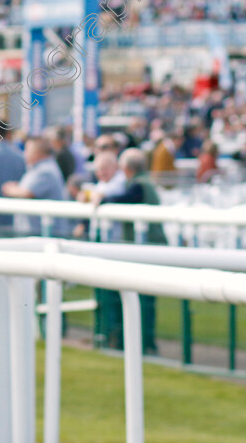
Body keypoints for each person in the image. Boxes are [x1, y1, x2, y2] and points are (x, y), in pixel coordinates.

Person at [94, 148, 164, 354]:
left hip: (148, 247)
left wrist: (103, 200)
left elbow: (125, 198)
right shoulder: (144, 183)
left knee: (145, 299)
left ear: (126, 168)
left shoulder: (139, 185)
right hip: (151, 246)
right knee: (146, 298)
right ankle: (144, 341)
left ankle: (143, 342)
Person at [1, 136, 66, 236]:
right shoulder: (39, 168)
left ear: (37, 152)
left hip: (41, 233)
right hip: (36, 231)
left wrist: (10, 189)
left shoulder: (45, 170)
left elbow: (27, 192)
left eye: (27, 150)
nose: (24, 153)